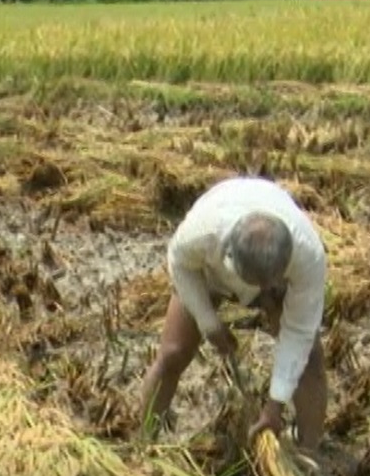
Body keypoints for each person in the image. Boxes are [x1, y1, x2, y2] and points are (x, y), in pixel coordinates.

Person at [135, 176, 328, 452]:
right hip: (212, 273)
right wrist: (208, 322)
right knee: (173, 352)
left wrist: (275, 405)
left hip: (279, 281)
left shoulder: (307, 255)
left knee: (310, 361)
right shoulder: (203, 232)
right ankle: (145, 443)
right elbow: (180, 265)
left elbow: (299, 333)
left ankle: (310, 454)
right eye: (254, 283)